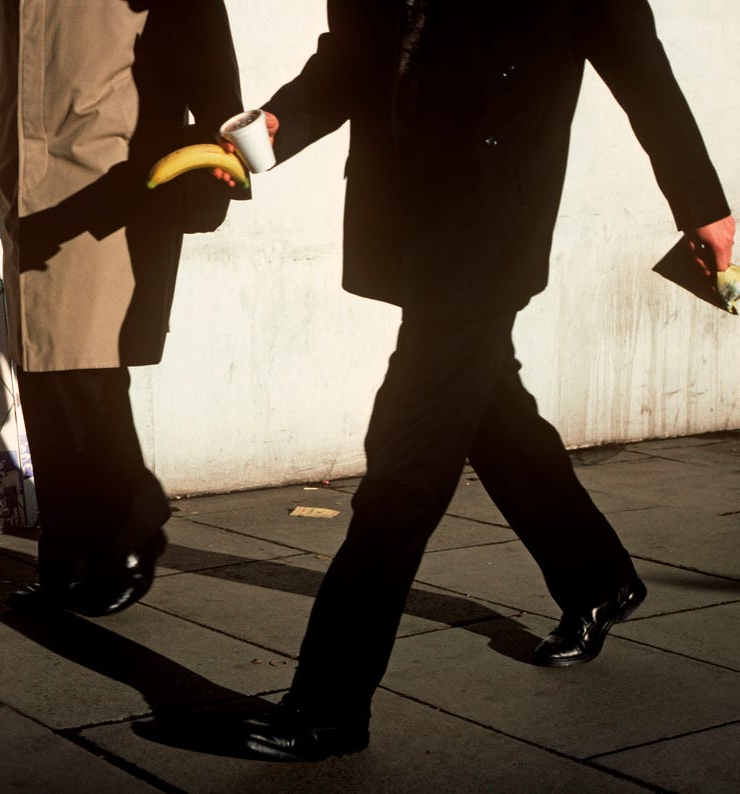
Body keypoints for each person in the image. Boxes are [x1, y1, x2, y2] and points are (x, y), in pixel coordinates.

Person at [225, 0, 735, 761]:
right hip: (405, 208)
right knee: (491, 412)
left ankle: (330, 703)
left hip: (493, 215)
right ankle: (596, 577)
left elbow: (642, 68)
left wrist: (703, 207)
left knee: (406, 454)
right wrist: (279, 122)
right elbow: (354, 55)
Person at [0, 2, 245, 615]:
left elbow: (203, 44)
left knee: (88, 367)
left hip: (111, 177)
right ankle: (66, 551)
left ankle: (129, 532)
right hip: (25, 179)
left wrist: (225, 151)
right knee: (43, 372)